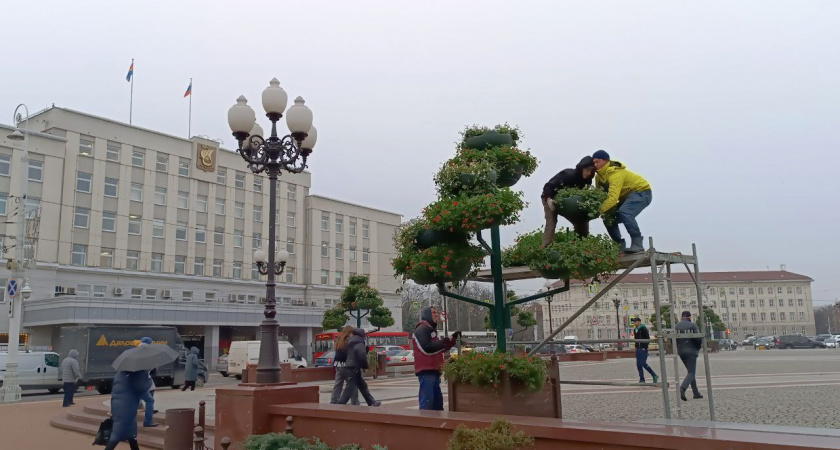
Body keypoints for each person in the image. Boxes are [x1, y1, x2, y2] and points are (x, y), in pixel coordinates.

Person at [592, 150, 652, 253]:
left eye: (597, 161)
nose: (595, 164)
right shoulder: (598, 177)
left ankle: (637, 244)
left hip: (641, 192)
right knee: (608, 217)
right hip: (626, 198)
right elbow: (600, 196)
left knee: (625, 211)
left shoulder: (616, 172)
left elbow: (613, 198)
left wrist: (598, 211)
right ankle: (619, 246)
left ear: (606, 160)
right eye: (593, 162)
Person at [541, 156, 597, 245]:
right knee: (551, 221)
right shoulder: (568, 174)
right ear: (582, 168)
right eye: (587, 170)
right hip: (550, 197)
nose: (588, 173)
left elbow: (583, 194)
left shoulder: (588, 181)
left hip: (569, 203)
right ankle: (545, 248)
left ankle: (580, 246)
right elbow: (548, 186)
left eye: (591, 171)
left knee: (582, 221)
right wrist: (548, 199)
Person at [412, 306, 460, 410]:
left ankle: (435, 423)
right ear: (427, 315)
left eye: (436, 313)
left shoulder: (431, 330)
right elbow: (427, 348)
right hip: (426, 372)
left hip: (434, 371)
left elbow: (439, 348)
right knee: (428, 403)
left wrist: (451, 340)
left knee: (437, 403)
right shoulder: (422, 329)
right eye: (433, 312)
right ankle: (426, 423)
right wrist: (446, 341)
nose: (436, 315)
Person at [105, 369, 152, 450]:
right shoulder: (138, 372)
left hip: (119, 404)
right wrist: (149, 379)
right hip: (127, 406)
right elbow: (142, 388)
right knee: (117, 434)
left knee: (131, 434)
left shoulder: (121, 372)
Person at [337, 329, 381, 407]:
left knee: (362, 386)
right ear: (362, 335)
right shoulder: (359, 344)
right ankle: (341, 403)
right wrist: (365, 366)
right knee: (350, 388)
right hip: (355, 368)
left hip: (350, 367)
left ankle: (371, 402)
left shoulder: (351, 343)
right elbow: (361, 356)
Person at [675, 311, 704, 401]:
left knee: (690, 372)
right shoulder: (692, 326)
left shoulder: (676, 326)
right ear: (689, 317)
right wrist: (697, 348)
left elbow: (673, 339)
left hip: (681, 352)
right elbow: (698, 339)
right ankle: (683, 388)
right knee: (691, 372)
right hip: (691, 351)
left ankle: (696, 393)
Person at [330, 326, 360, 405]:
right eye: (352, 333)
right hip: (347, 366)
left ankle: (333, 401)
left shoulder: (338, 340)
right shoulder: (350, 341)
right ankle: (355, 402)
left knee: (338, 384)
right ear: (349, 332)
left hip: (338, 365)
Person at [631, 318, 658, 384]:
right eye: (633, 322)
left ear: (639, 322)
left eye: (635, 321)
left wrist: (645, 346)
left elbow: (647, 338)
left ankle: (654, 375)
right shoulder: (635, 330)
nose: (634, 323)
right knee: (638, 365)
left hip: (643, 348)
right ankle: (642, 379)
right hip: (638, 348)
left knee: (643, 363)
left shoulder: (644, 329)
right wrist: (636, 346)